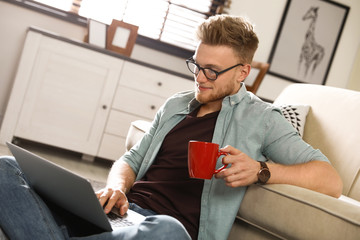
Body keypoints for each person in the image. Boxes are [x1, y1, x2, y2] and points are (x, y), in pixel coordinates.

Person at [0, 15, 342, 240]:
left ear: (242, 72)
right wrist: (117, 188)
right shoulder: (177, 104)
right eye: (196, 65)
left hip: (164, 231)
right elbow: (131, 159)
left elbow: (330, 180)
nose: (200, 77)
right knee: (7, 167)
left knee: (166, 231)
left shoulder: (263, 119)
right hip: (122, 216)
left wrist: (261, 170)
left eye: (212, 70)